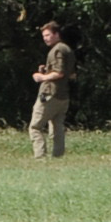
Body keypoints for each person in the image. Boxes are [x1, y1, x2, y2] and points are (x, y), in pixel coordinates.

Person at [31, 19, 75, 160]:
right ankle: (58, 157)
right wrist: (46, 70)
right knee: (57, 127)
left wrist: (42, 77)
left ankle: (40, 157)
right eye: (44, 36)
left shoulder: (58, 50)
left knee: (35, 127)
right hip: (63, 95)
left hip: (50, 93)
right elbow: (71, 74)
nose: (45, 38)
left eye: (48, 35)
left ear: (56, 34)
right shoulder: (67, 49)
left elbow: (59, 73)